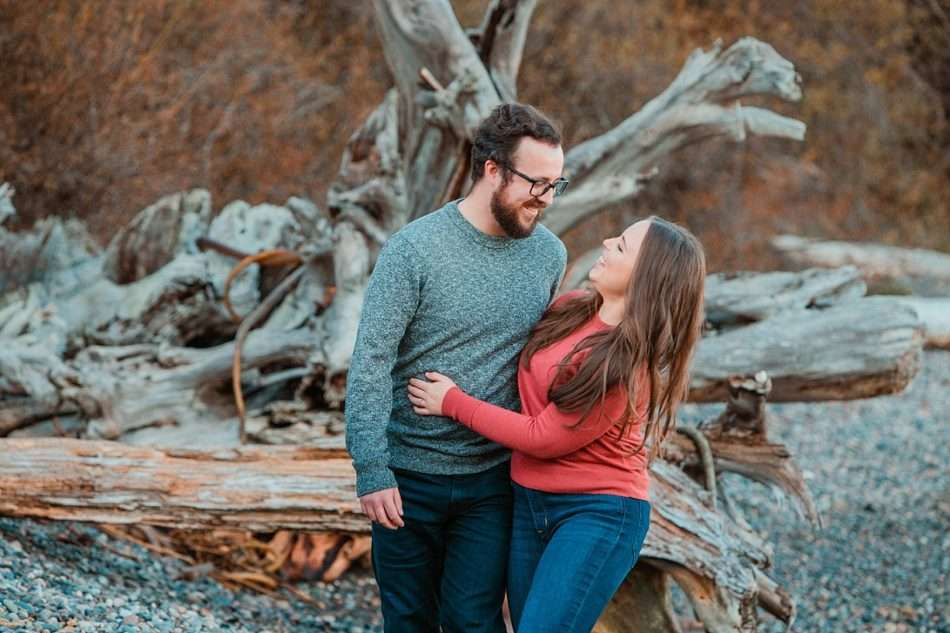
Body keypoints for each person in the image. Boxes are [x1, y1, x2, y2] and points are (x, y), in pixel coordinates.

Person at [409, 216, 706, 632]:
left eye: (620, 246)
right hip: (530, 501)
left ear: (646, 277)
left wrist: (454, 403)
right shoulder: (568, 310)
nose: (605, 242)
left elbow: (543, 437)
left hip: (598, 511)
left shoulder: (624, 364)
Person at [344, 102, 570, 633]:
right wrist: (371, 470)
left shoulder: (549, 255)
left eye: (557, 184)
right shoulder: (413, 251)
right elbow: (371, 362)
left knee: (474, 621)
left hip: (492, 480)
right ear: (492, 169)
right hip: (405, 480)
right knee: (409, 621)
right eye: (537, 183)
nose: (547, 199)